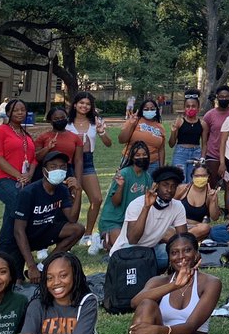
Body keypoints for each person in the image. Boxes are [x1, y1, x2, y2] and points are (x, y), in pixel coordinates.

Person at [124, 233, 219, 334]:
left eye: (187, 250)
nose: (181, 256)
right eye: (174, 252)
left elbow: (190, 327)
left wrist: (155, 330)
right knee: (147, 304)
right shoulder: (158, 281)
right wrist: (174, 285)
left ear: (196, 254)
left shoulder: (210, 283)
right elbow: (135, 303)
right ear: (169, 258)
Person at [6, 149, 84, 282]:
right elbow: (18, 231)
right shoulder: (28, 193)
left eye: (62, 167)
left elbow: (72, 218)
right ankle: (31, 268)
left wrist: (78, 192)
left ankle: (44, 266)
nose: (58, 170)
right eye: (53, 167)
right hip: (25, 237)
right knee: (16, 281)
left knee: (78, 229)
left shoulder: (62, 190)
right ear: (44, 171)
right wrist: (31, 266)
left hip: (45, 231)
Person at [109, 165, 188, 271]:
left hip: (150, 250)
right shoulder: (137, 204)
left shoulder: (178, 206)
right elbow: (133, 239)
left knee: (180, 255)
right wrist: (146, 207)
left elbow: (183, 238)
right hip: (125, 252)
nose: (169, 190)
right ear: (156, 185)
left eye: (173, 186)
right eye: (165, 185)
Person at [0, 98, 38, 255]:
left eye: (23, 110)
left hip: (24, 182)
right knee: (19, 203)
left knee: (12, 213)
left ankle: (2, 251)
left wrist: (29, 174)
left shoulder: (26, 135)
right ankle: (8, 249)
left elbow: (33, 159)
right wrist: (18, 176)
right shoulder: (1, 131)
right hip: (4, 180)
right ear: (8, 112)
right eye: (16, 110)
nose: (20, 113)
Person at [66, 92, 110, 256]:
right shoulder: (67, 123)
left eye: (88, 104)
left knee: (96, 199)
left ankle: (88, 234)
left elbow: (108, 143)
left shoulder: (95, 122)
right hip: (69, 163)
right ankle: (70, 234)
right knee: (71, 201)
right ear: (75, 104)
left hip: (87, 162)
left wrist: (101, 132)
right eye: (81, 103)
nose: (84, 106)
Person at [95, 141, 153, 250]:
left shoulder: (147, 177)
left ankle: (107, 242)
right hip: (114, 220)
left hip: (131, 221)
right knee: (123, 248)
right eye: (138, 155)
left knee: (136, 246)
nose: (142, 158)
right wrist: (121, 186)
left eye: (144, 155)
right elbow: (115, 202)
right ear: (132, 157)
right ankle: (101, 241)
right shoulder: (124, 173)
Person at [32, 105, 83, 182]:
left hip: (66, 171)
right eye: (56, 119)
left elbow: (78, 161)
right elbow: (37, 157)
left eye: (63, 118)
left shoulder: (75, 138)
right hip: (46, 172)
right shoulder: (43, 137)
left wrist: (78, 180)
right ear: (50, 121)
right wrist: (47, 148)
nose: (60, 120)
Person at [173, 162, 220, 242]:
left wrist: (213, 200)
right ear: (192, 177)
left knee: (205, 227)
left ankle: (177, 240)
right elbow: (170, 205)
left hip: (195, 229)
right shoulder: (182, 189)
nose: (200, 178)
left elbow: (215, 217)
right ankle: (184, 240)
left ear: (208, 177)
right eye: (197, 176)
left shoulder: (210, 194)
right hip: (176, 226)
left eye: (203, 176)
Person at [118, 97, 168, 168]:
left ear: (156, 110)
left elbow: (161, 149)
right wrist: (131, 124)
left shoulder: (160, 127)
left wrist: (161, 168)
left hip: (152, 164)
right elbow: (121, 140)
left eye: (152, 109)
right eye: (146, 109)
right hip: (131, 162)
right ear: (141, 110)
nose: (149, 111)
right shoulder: (135, 121)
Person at [169, 90, 208, 182]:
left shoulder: (202, 124)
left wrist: (202, 157)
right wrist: (173, 132)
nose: (190, 108)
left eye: (193, 106)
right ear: (184, 108)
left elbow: (205, 144)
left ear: (198, 108)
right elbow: (171, 144)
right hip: (180, 153)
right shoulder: (179, 121)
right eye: (188, 106)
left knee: (193, 180)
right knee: (180, 180)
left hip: (196, 154)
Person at [202, 85, 229, 194]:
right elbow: (204, 139)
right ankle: (211, 209)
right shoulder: (209, 115)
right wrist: (203, 157)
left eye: (226, 96)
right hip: (213, 155)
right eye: (221, 96)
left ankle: (228, 210)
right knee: (211, 185)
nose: (224, 99)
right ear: (217, 97)